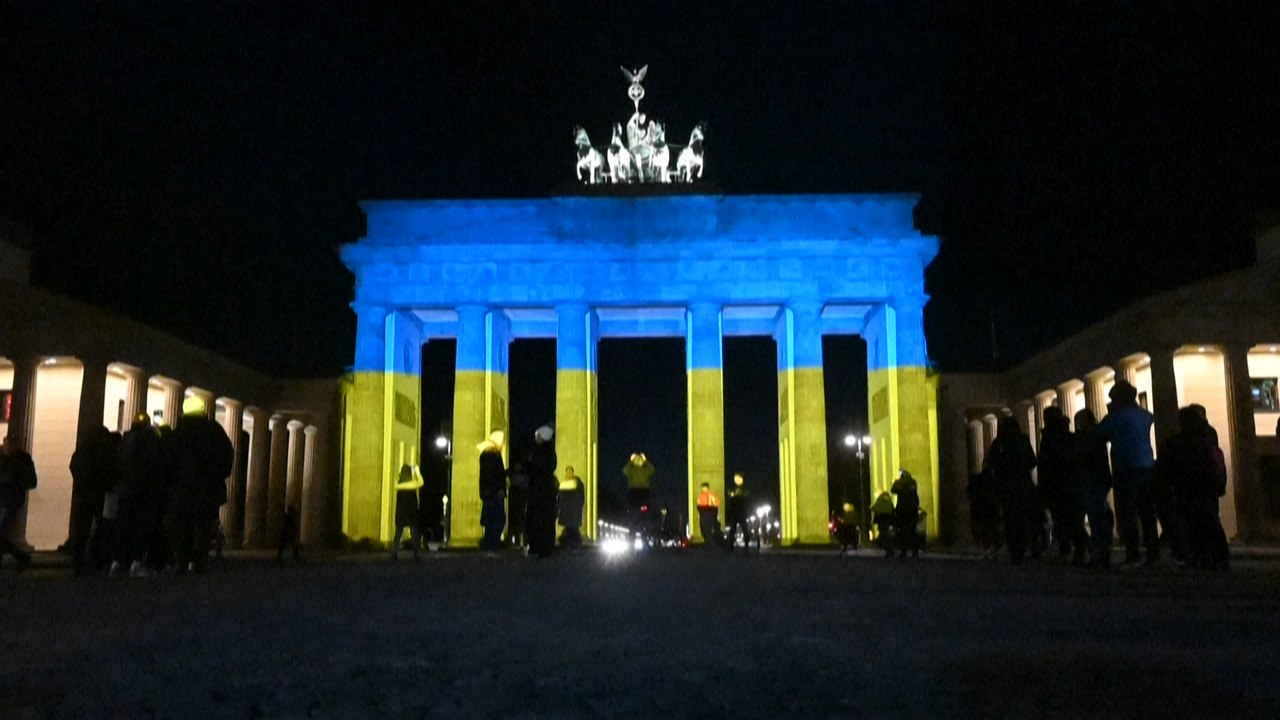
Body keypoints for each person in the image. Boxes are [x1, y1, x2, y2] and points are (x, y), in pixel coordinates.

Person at [1158, 405, 1229, 571]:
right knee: (1208, 522)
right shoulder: (1207, 437)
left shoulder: (1178, 442)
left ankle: (1202, 556)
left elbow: (1168, 466)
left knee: (1194, 522)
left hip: (1189, 488)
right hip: (1204, 487)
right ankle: (1215, 558)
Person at [168, 396, 234, 574]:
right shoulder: (213, 430)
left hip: (183, 488)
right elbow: (227, 453)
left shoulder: (178, 433)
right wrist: (219, 474)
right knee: (203, 524)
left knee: (183, 524)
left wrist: (172, 480)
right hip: (207, 488)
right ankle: (199, 560)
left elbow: (168, 459)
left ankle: (182, 560)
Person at [1096, 380, 1158, 566]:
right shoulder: (1144, 415)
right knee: (1147, 513)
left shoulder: (1117, 416)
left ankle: (1133, 553)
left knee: (1128, 514)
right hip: (1146, 466)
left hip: (1125, 468)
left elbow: (1101, 434)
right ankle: (1152, 552)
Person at [111, 414, 167, 577]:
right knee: (142, 526)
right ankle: (137, 561)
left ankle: (119, 562)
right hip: (145, 490)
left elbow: (119, 464)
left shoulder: (126, 440)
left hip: (127, 489)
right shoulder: (152, 440)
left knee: (124, 526)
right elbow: (156, 465)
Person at [985, 415, 1037, 564]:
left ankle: (1015, 548)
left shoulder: (1000, 442)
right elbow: (1032, 461)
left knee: (1010, 518)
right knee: (1020, 517)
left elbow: (991, 463)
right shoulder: (1021, 440)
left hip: (1006, 485)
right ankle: (1020, 548)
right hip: (1020, 484)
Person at [68, 425, 119, 575]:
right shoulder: (104, 451)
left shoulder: (82, 451)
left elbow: (74, 466)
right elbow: (111, 470)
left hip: (84, 493)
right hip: (98, 494)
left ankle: (79, 560)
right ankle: (95, 560)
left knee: (82, 528)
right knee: (100, 527)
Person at [1039, 407, 1086, 564]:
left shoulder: (1050, 439)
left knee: (1063, 518)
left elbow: (1045, 464)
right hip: (1070, 482)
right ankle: (1076, 548)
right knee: (1071, 519)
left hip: (1058, 483)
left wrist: (1044, 486)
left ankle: (1071, 548)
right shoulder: (1069, 437)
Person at [1072, 409, 1114, 568]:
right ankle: (1102, 550)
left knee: (1096, 518)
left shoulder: (1087, 438)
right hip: (1097, 479)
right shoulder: (1096, 435)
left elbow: (1085, 460)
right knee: (1099, 515)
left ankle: (1099, 551)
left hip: (1091, 480)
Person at [0, 434, 36, 573]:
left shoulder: (22, 459)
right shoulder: (20, 458)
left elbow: (31, 481)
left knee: (2, 530)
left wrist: (14, 480)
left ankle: (20, 556)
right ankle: (20, 556)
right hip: (8, 498)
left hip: (11, 499)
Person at [525, 425, 558, 559]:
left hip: (539, 490)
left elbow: (534, 468)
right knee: (546, 519)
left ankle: (538, 547)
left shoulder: (540, 452)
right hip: (547, 489)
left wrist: (525, 465)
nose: (535, 438)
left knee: (536, 518)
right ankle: (545, 547)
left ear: (543, 437)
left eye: (537, 436)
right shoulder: (550, 451)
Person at [477, 430, 508, 554]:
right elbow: (495, 474)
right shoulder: (493, 453)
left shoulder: (486, 453)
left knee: (490, 519)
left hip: (488, 491)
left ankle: (489, 544)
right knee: (498, 518)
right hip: (494, 492)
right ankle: (492, 544)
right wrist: (500, 487)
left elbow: (488, 474)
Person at [390, 464, 423, 560]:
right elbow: (421, 482)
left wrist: (399, 475)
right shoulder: (413, 484)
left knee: (398, 533)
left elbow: (396, 482)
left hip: (400, 511)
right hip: (411, 511)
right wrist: (417, 471)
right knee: (414, 532)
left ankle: (394, 552)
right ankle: (416, 552)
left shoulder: (398, 484)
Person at [891, 470, 921, 558]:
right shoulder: (912, 483)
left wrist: (897, 483)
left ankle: (904, 550)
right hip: (911, 510)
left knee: (902, 531)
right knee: (912, 531)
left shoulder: (901, 483)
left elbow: (893, 490)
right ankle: (914, 550)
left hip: (903, 510)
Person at [724, 472, 756, 553]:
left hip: (742, 511)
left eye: (738, 478)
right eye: (735, 478)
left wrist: (737, 494)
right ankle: (730, 546)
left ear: (742, 479)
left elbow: (746, 495)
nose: (736, 480)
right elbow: (730, 494)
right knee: (732, 530)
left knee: (745, 529)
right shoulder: (732, 488)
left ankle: (746, 545)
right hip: (734, 512)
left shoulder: (745, 488)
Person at [557, 464, 585, 550]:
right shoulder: (563, 483)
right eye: (567, 471)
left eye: (570, 471)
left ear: (572, 472)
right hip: (566, 510)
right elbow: (560, 496)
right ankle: (569, 543)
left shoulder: (578, 482)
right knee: (569, 528)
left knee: (572, 528)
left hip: (573, 511)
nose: (568, 473)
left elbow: (580, 496)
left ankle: (573, 543)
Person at [506, 459, 529, 549]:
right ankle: (518, 540)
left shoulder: (515, 476)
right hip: (517, 502)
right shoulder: (521, 476)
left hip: (518, 502)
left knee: (519, 521)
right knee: (517, 521)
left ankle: (519, 540)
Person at [870, 490, 896, 556]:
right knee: (886, 533)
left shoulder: (880, 500)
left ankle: (886, 547)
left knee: (883, 532)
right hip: (888, 520)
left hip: (881, 519)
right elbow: (892, 510)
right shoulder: (889, 502)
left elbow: (874, 508)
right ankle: (888, 548)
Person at [695, 482, 721, 546]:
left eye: (703, 488)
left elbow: (698, 506)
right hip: (710, 515)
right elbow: (717, 506)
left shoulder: (702, 497)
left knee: (705, 530)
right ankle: (710, 542)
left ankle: (710, 542)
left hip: (705, 515)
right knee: (708, 530)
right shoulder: (713, 496)